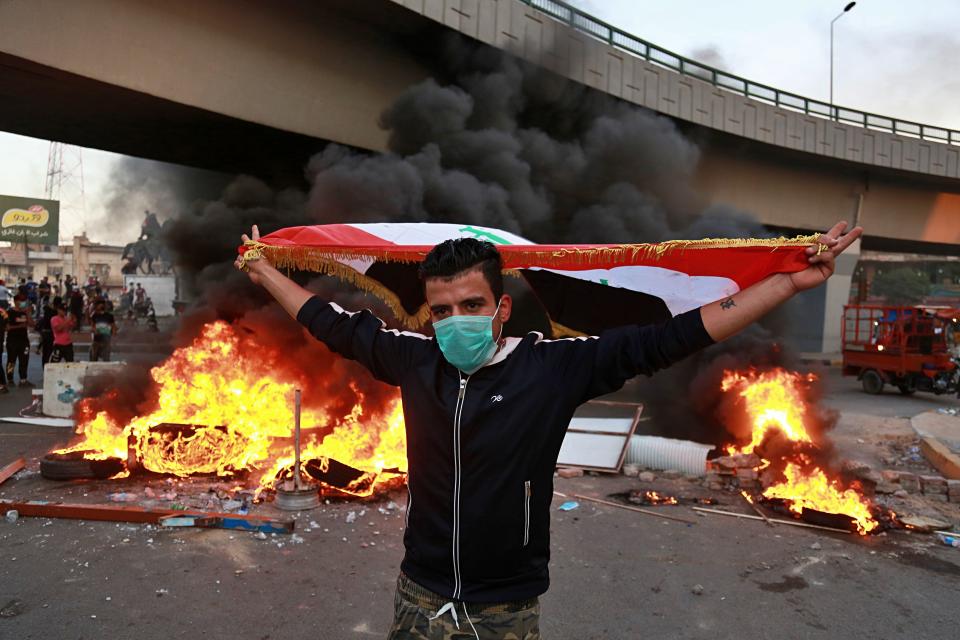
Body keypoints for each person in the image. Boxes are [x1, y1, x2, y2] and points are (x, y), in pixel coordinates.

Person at [235, 221, 861, 639]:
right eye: (444, 310)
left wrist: (784, 282)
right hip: (419, 592)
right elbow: (331, 321)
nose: (457, 322)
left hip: (506, 603)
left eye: (472, 306)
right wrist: (263, 271)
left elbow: (677, 335)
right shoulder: (414, 358)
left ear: (501, 307)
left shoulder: (556, 367)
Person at [6, 293, 32, 386]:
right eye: (21, 300)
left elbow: (32, 324)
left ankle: (23, 379)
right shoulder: (9, 312)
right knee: (11, 361)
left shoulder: (24, 312)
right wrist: (20, 326)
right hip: (12, 341)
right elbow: (7, 328)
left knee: (24, 360)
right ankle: (10, 379)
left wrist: (28, 313)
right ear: (15, 301)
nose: (23, 302)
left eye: (24, 300)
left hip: (24, 340)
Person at [37, 296, 58, 365]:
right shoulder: (54, 312)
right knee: (51, 353)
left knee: (46, 353)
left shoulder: (47, 311)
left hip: (46, 333)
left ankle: (45, 366)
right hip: (51, 334)